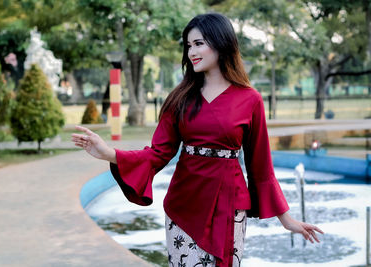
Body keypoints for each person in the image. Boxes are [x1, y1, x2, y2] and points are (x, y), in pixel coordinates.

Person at [72, 13, 323, 267]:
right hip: (184, 206)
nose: (191, 51)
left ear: (221, 43)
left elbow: (261, 167)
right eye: (188, 45)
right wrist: (110, 153)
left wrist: (286, 218)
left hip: (231, 205)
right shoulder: (179, 98)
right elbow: (158, 153)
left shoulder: (250, 99)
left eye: (199, 43)